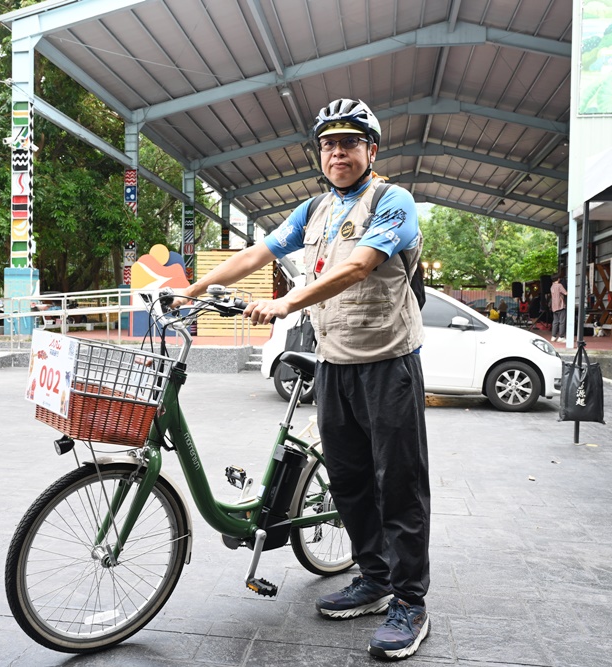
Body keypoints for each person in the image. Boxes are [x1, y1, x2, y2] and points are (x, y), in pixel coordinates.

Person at [178, 98, 430, 660]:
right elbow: (256, 253)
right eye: (328, 144)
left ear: (371, 149)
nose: (337, 152)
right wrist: (190, 289)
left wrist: (285, 301)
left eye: (349, 142)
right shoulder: (313, 210)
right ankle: (373, 576)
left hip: (389, 364)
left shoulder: (393, 202)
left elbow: (357, 266)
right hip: (334, 364)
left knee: (399, 484)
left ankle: (410, 602)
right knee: (349, 480)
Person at [550, 274, 567, 342]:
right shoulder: (559, 285)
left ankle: (553, 336)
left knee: (555, 322)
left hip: (554, 306)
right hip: (560, 305)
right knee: (562, 321)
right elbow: (565, 293)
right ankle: (561, 336)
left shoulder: (552, 286)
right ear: (558, 279)